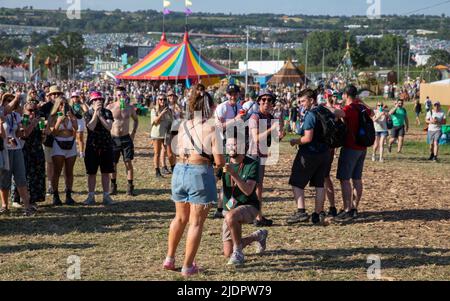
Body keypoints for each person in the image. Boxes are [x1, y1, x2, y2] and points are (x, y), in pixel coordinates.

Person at [164, 88, 225, 277]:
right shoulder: (212, 127)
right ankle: (188, 266)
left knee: (180, 218)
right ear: (210, 107)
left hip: (180, 171)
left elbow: (173, 149)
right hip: (199, 171)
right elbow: (219, 161)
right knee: (196, 222)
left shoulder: (183, 124)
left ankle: (169, 258)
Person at [222, 133, 268, 267]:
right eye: (228, 144)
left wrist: (233, 173)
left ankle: (238, 252)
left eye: (234, 144)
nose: (231, 147)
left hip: (250, 206)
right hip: (230, 207)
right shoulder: (224, 161)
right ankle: (258, 236)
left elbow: (248, 190)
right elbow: (213, 178)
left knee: (231, 216)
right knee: (226, 252)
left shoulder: (251, 163)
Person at [286, 89, 330, 226]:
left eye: (303, 101)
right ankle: (317, 214)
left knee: (296, 182)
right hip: (325, 153)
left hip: (309, 153)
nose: (301, 104)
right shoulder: (324, 110)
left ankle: (301, 211)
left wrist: (295, 141)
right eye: (300, 102)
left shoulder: (311, 114)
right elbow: (340, 113)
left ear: (312, 100)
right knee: (319, 184)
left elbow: (307, 138)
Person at [334, 85, 374, 222]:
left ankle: (347, 210)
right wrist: (361, 101)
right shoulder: (361, 107)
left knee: (344, 179)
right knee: (357, 178)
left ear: (345, 95)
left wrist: (331, 106)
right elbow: (372, 112)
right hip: (362, 148)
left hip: (350, 147)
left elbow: (338, 114)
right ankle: (354, 207)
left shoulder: (349, 109)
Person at [248, 91, 285, 227]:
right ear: (258, 102)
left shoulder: (270, 117)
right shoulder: (255, 117)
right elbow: (255, 137)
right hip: (251, 156)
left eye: (269, 100)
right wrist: (271, 129)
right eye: (263, 100)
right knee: (247, 187)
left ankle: (258, 216)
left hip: (261, 155)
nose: (266, 102)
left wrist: (280, 134)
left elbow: (273, 141)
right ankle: (237, 212)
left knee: (258, 187)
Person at [0, 93, 35, 216]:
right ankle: (4, 205)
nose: (12, 102)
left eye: (12, 100)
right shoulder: (1, 114)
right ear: (3, 103)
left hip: (17, 149)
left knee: (21, 178)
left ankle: (27, 206)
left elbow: (22, 134)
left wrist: (27, 120)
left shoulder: (15, 116)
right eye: (8, 100)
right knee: (4, 179)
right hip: (4, 150)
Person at [213, 84, 243, 219]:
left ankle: (227, 206)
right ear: (226, 95)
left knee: (233, 177)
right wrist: (235, 120)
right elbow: (218, 128)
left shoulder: (239, 106)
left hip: (236, 145)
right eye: (230, 94)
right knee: (222, 177)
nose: (233, 96)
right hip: (224, 145)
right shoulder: (222, 108)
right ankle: (219, 207)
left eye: (235, 93)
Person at [83, 91, 115, 206]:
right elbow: (91, 126)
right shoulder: (87, 114)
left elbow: (109, 127)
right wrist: (95, 114)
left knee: (105, 172)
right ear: (91, 102)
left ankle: (106, 196)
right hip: (92, 146)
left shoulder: (107, 112)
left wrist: (100, 115)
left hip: (106, 145)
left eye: (100, 100)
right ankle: (91, 196)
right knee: (91, 172)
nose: (99, 102)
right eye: (96, 100)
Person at [108, 87, 139, 196]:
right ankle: (113, 186)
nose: (121, 97)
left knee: (128, 163)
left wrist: (133, 132)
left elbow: (136, 120)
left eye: (123, 95)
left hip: (126, 138)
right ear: (115, 95)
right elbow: (105, 122)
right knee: (113, 164)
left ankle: (130, 187)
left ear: (126, 95)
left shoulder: (130, 108)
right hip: (114, 138)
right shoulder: (110, 107)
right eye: (119, 95)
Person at [48, 96, 78, 205]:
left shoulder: (71, 114)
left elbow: (76, 129)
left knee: (69, 171)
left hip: (71, 144)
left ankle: (68, 195)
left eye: (65, 104)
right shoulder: (53, 116)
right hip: (58, 144)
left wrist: (72, 120)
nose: (63, 106)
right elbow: (53, 133)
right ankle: (55, 196)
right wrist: (58, 122)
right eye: (60, 104)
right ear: (57, 105)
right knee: (57, 171)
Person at [40, 85, 64, 196]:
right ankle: (50, 185)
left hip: (62, 138)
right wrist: (45, 126)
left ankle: (57, 185)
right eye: (53, 94)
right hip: (49, 138)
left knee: (59, 164)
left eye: (57, 94)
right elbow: (40, 121)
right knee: (49, 163)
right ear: (49, 96)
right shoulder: (45, 107)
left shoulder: (64, 106)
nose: (55, 96)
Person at [150, 93, 173, 178]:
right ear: (157, 100)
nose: (162, 101)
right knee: (157, 153)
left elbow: (172, 121)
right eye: (160, 99)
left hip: (166, 134)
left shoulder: (169, 110)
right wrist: (162, 113)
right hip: (157, 134)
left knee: (169, 152)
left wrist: (169, 114)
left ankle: (172, 168)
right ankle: (157, 171)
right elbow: (155, 122)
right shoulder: (154, 110)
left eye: (164, 99)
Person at [71, 92, 88, 158]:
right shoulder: (69, 105)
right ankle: (73, 151)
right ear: (71, 98)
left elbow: (86, 111)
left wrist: (83, 103)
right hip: (72, 121)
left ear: (78, 97)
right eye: (73, 97)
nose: (75, 98)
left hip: (80, 121)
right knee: (73, 137)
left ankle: (81, 152)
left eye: (76, 96)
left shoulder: (81, 104)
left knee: (80, 137)